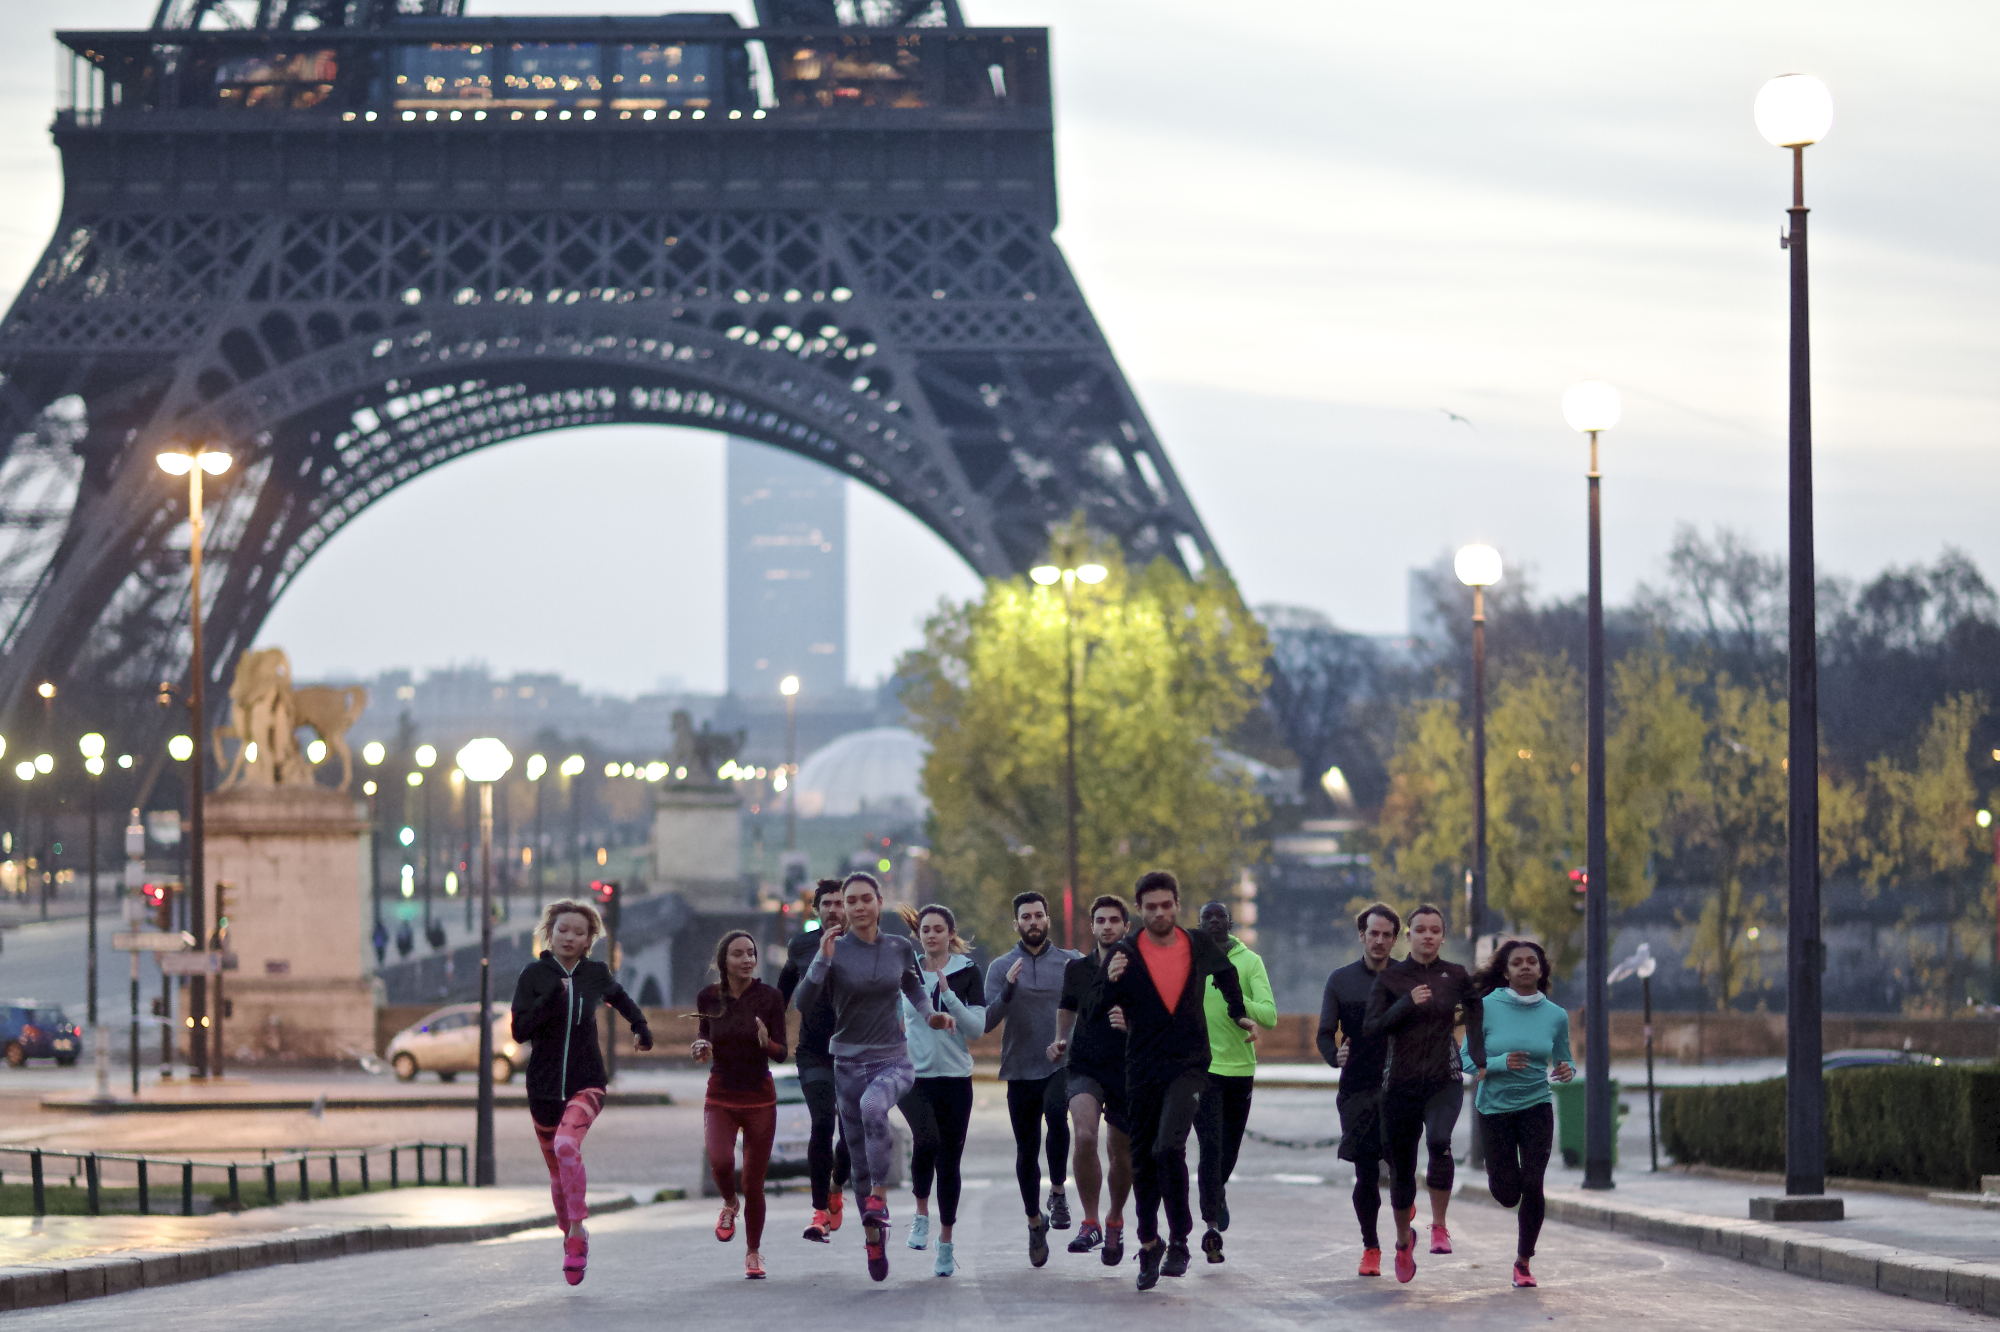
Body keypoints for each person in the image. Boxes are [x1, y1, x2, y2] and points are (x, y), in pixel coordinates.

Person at [793, 871, 951, 1282]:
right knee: (858, 1163)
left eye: (867, 899)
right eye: (851, 902)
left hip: (892, 1060)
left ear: (879, 902)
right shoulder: (833, 950)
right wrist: (821, 962)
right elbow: (803, 1002)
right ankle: (873, 1242)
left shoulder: (899, 947)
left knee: (874, 1107)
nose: (860, 907)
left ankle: (879, 1197)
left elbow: (914, 987)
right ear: (842, 909)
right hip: (846, 1062)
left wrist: (929, 1014)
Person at [1102, 870, 1254, 1291]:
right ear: (1139, 910)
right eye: (1150, 907)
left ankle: (1181, 1240)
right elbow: (1097, 1002)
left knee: (1169, 1145)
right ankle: (1149, 1242)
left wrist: (1238, 1011)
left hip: (1188, 1064)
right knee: (1144, 1157)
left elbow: (1225, 975)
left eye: (1166, 905)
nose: (1159, 913)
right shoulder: (1126, 950)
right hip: (1142, 1067)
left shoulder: (1197, 943)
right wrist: (1111, 982)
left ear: (1176, 906)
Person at [510, 898, 653, 1286]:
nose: (568, 937)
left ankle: (577, 1230)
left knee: (567, 1146)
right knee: (558, 1178)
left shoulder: (594, 973)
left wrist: (640, 1027)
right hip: (542, 1089)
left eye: (578, 932)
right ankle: (572, 1233)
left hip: (587, 1082)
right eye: (562, 930)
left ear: (590, 938)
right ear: (549, 933)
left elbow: (620, 997)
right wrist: (549, 999)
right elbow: (519, 1031)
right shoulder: (533, 975)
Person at [1363, 903, 1485, 1285]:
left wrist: (1477, 1054)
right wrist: (1404, 1003)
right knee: (1401, 1172)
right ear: (1409, 935)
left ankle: (1439, 1226)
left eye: (1435, 930)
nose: (1428, 935)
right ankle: (1402, 1242)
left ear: (1442, 936)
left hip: (1443, 1081)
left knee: (1439, 1141)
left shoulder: (1456, 975)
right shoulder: (1392, 978)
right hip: (1398, 1085)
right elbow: (1372, 1028)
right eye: (1420, 929)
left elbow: (1476, 1008)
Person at [1462, 938, 1573, 1289]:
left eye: (1531, 962)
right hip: (1494, 1109)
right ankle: (1506, 1188)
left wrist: (1567, 1069)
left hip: (1537, 1105)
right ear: (1506, 973)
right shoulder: (1485, 1007)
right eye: (1517, 962)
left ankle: (1524, 1261)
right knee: (1507, 1192)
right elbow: (1466, 1060)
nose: (1525, 966)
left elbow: (1564, 1057)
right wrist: (1498, 1063)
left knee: (1534, 1183)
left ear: (1541, 971)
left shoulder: (1556, 1016)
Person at [984, 890, 1082, 1265]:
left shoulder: (1071, 962)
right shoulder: (1000, 966)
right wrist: (1008, 988)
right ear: (1017, 924)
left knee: (1057, 1114)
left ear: (1047, 919)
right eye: (1026, 917)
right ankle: (1033, 1222)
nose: (1033, 922)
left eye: (1038, 915)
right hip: (1019, 1068)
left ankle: (1057, 1192)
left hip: (1061, 1063)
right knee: (1026, 1150)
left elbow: (1091, 1002)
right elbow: (989, 1022)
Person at [896, 903, 986, 1278]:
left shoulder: (967, 972)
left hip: (954, 1079)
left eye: (939, 929)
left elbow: (976, 1029)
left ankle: (945, 1244)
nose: (931, 934)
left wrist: (948, 997)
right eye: (926, 929)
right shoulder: (906, 970)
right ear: (919, 935)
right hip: (913, 1077)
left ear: (951, 933)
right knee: (926, 1140)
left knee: (950, 1163)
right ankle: (920, 1214)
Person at [693, 929, 789, 1280]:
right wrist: (700, 1046)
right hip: (720, 1093)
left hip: (760, 1097)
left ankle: (753, 1253)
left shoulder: (771, 997)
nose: (747, 959)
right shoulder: (709, 997)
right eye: (738, 954)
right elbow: (705, 1033)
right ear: (724, 961)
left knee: (754, 1183)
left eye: (751, 953)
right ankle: (729, 1205)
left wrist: (767, 1043)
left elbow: (783, 1054)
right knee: (720, 1161)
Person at [1317, 902, 1401, 1277]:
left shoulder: (1408, 978)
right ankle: (1371, 1247)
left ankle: (1404, 1211)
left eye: (1386, 934)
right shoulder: (1340, 979)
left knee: (1401, 1165)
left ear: (1395, 939)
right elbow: (1323, 1033)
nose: (1379, 940)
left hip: (1402, 1085)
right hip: (1357, 1087)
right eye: (1373, 933)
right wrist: (1334, 1055)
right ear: (1361, 935)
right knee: (1366, 1173)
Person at [1050, 894, 1135, 1264]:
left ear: (1126, 927)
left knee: (1122, 1152)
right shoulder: (1077, 969)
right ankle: (1090, 1221)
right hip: (1084, 1063)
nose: (1107, 926)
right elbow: (1066, 1010)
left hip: (1127, 1069)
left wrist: (1132, 1025)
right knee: (1084, 1135)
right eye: (1100, 920)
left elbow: (1159, 1016)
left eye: (1114, 920)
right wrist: (1058, 1040)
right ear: (1092, 926)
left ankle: (1114, 1219)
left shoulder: (1141, 969)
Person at [1192, 900, 1277, 1260]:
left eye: (1219, 916)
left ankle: (1217, 1192)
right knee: (1209, 1148)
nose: (1213, 921)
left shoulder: (1249, 962)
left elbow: (1270, 1016)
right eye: (1206, 917)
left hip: (1240, 1069)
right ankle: (1210, 1226)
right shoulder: (1190, 962)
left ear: (1230, 922)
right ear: (1198, 924)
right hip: (1200, 1068)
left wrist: (1235, 996)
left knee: (1228, 1151)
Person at [778, 879, 852, 1242]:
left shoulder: (865, 943)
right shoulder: (802, 946)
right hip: (814, 1052)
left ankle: (837, 1185)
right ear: (817, 909)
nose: (834, 909)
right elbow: (781, 996)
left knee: (854, 1132)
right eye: (827, 903)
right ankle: (819, 1210)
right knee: (822, 1121)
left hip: (857, 1051)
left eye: (841, 903)